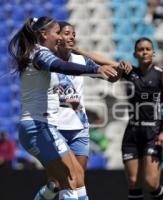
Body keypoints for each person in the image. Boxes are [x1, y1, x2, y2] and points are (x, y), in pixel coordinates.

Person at [8, 16, 120, 200]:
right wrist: (95, 70)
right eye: (58, 33)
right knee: (71, 178)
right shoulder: (39, 53)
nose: (61, 37)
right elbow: (61, 66)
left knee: (74, 178)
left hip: (43, 126)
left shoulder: (39, 53)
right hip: (37, 127)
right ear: (44, 34)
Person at [118, 37, 163, 200]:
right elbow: (104, 62)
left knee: (151, 183)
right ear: (135, 53)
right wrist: (80, 52)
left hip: (154, 132)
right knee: (134, 181)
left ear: (153, 52)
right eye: (141, 49)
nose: (144, 52)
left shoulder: (161, 75)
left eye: (148, 49)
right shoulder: (129, 73)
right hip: (132, 132)